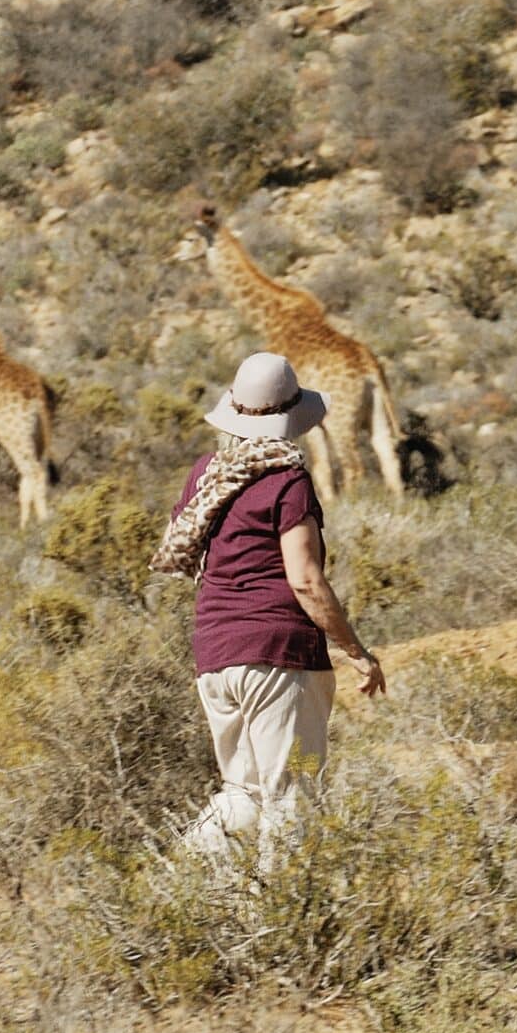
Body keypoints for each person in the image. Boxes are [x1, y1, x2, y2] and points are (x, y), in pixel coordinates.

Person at [152, 352, 385, 864]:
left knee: (243, 793)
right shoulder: (287, 480)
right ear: (293, 415)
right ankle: (284, 910)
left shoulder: (206, 473)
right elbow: (305, 580)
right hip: (278, 655)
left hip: (215, 655)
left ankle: (178, 883)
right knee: (291, 801)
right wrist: (356, 651)